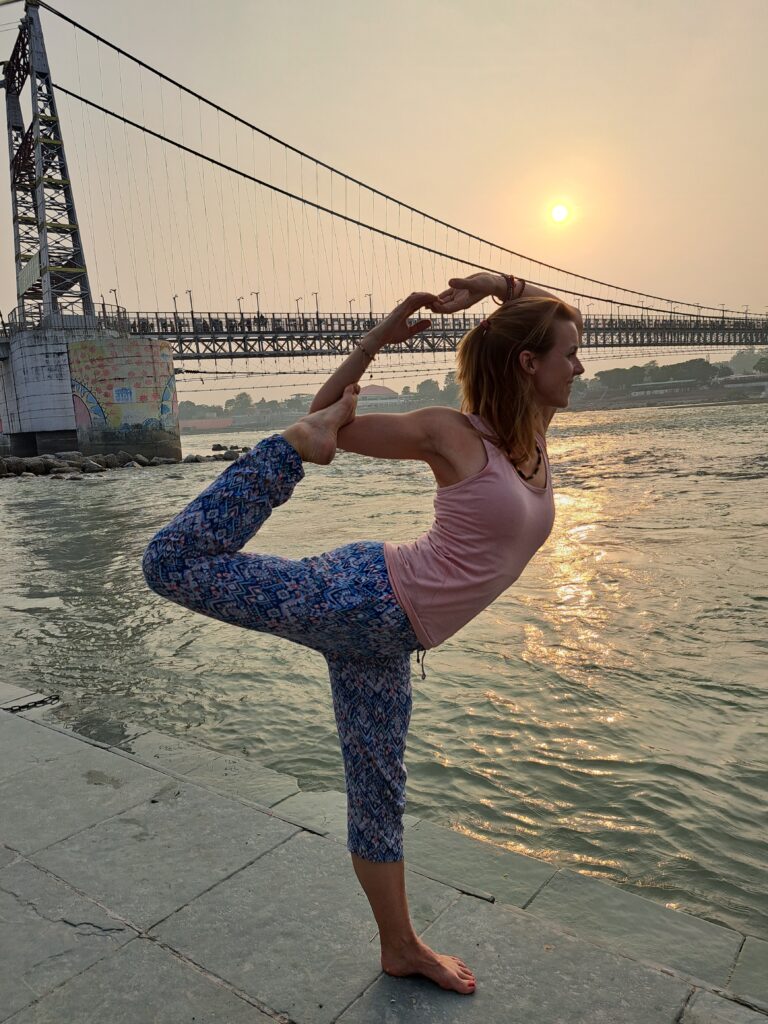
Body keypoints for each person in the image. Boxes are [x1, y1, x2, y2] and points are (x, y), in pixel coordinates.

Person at [142, 271, 585, 996]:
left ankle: (401, 947)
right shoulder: (453, 433)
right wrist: (378, 339)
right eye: (569, 354)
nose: (580, 365)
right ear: (530, 366)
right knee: (170, 563)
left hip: (387, 640)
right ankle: (282, 452)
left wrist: (496, 285)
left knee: (380, 795)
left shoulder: (532, 431)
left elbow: (539, 319)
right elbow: (330, 416)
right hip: (361, 598)